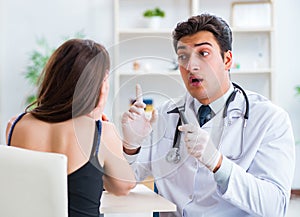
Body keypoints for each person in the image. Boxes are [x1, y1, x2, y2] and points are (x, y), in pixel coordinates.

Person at [121, 13, 295, 217]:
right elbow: (125, 183)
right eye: (183, 56)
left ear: (227, 59)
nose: (191, 66)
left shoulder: (270, 119)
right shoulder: (164, 115)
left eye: (203, 53)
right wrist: (131, 147)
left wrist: (219, 163)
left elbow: (275, 206)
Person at [6, 39, 136, 217]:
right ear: (98, 86)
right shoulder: (102, 133)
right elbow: (123, 186)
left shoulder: (15, 125)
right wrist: (97, 114)